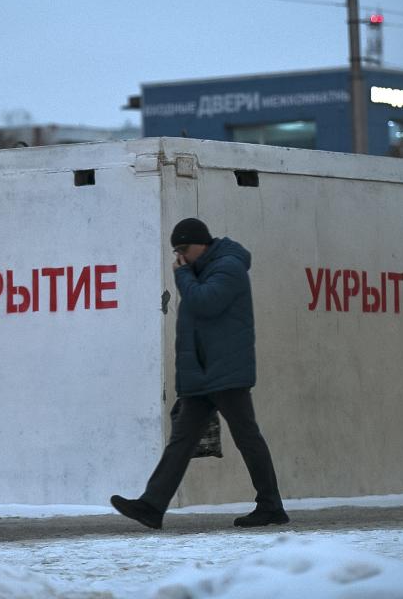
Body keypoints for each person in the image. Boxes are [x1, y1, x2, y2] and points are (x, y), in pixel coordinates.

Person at [111, 218, 289, 529]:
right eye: (175, 251)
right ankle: (152, 505)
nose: (179, 256)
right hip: (204, 374)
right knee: (182, 439)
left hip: (226, 371)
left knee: (247, 437)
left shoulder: (228, 266)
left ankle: (271, 505)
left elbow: (206, 303)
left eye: (183, 248)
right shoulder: (199, 270)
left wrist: (182, 276)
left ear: (201, 244)